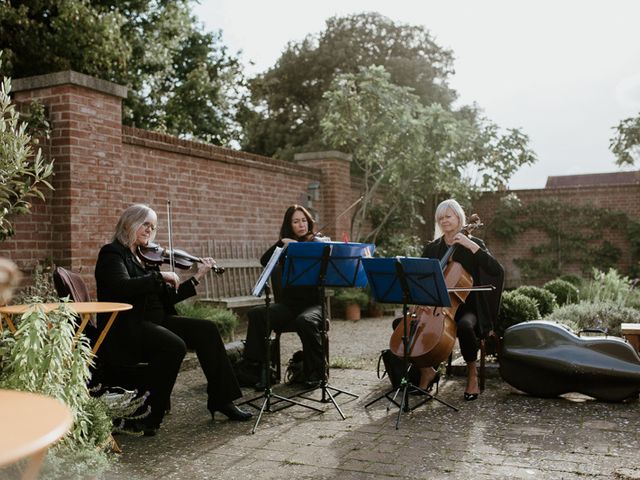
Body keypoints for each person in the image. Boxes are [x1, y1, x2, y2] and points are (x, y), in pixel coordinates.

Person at [94, 204, 251, 436]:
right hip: (129, 327)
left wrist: (196, 277)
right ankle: (147, 416)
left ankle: (221, 399)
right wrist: (160, 275)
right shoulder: (113, 253)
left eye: (153, 226)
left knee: (206, 330)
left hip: (157, 320)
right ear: (129, 223)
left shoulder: (142, 257)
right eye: (145, 224)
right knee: (174, 346)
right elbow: (121, 287)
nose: (150, 230)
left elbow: (168, 296)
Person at [418, 198, 504, 401]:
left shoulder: (474, 244)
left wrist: (470, 245)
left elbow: (496, 270)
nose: (444, 220)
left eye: (449, 216)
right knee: (406, 326)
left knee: (465, 326)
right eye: (441, 217)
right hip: (436, 305)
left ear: (459, 218)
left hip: (468, 306)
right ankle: (426, 370)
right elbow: (420, 278)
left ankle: (471, 374)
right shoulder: (432, 249)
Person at [240, 205, 326, 388]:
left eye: (304, 220)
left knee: (305, 321)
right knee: (257, 314)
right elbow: (264, 261)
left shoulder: (316, 244)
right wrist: (282, 243)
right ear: (289, 225)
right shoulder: (286, 246)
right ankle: (256, 370)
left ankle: (316, 372)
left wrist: (305, 245)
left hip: (314, 306)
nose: (301, 225)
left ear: (309, 222)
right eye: (296, 221)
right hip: (289, 306)